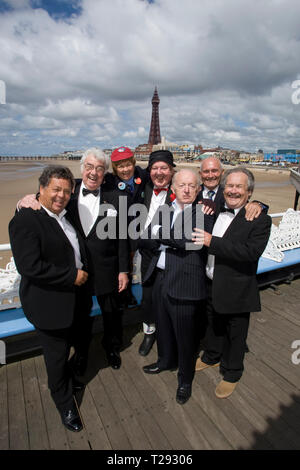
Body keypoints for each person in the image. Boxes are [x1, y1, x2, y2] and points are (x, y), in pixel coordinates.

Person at [17, 148, 129, 371]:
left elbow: (123, 239)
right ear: (81, 169)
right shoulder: (69, 193)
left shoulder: (118, 198)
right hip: (77, 270)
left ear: (105, 172)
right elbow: (47, 196)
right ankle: (81, 354)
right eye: (89, 167)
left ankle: (112, 347)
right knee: (80, 316)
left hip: (107, 267)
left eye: (99, 168)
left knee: (111, 313)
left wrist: (123, 270)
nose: (93, 173)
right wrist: (26, 199)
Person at [9, 165, 92, 432]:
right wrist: (71, 276)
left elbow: (93, 178)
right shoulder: (25, 219)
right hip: (50, 304)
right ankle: (65, 404)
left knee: (80, 343)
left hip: (77, 299)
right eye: (55, 189)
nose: (61, 196)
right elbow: (29, 266)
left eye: (67, 191)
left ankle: (75, 377)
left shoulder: (64, 214)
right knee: (56, 360)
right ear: (41, 189)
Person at [192, 167, 271, 398]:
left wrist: (211, 241)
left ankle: (233, 371)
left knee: (236, 334)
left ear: (249, 192)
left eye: (239, 187)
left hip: (237, 287)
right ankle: (212, 356)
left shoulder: (259, 218)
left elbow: (250, 252)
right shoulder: (216, 209)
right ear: (223, 189)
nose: (233, 191)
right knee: (213, 325)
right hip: (211, 282)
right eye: (230, 186)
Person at [139, 169, 214, 404]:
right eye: (182, 185)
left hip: (186, 282)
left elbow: (190, 241)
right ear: (173, 189)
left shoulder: (204, 212)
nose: (187, 189)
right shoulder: (164, 210)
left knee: (185, 336)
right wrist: (165, 237)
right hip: (160, 278)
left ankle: (185, 379)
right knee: (163, 327)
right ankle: (165, 361)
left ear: (199, 189)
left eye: (192, 185)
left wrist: (159, 235)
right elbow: (143, 239)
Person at [138, 150, 176, 356]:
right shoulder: (142, 187)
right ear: (149, 171)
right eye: (155, 168)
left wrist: (255, 204)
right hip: (147, 255)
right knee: (148, 299)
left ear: (171, 171)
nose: (159, 173)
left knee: (169, 297)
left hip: (171, 255)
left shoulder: (181, 190)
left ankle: (167, 333)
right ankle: (149, 333)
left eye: (164, 168)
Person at [107, 146, 149, 307]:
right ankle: (126, 294)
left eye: (127, 165)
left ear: (133, 163)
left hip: (142, 228)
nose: (125, 170)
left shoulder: (142, 175)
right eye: (120, 166)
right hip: (122, 230)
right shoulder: (110, 181)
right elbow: (84, 182)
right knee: (125, 263)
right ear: (114, 168)